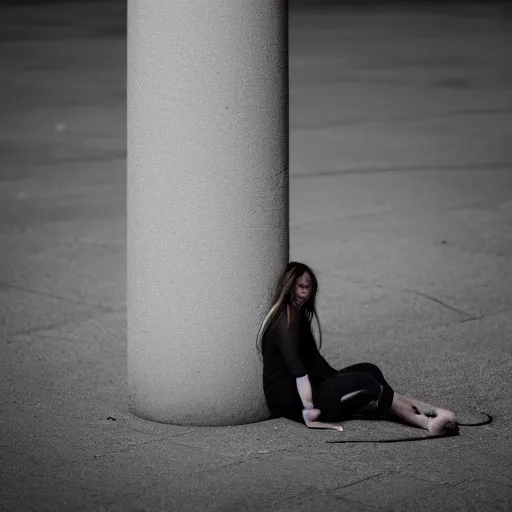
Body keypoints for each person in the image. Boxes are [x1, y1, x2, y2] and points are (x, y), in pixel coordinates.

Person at [256, 261, 458, 435]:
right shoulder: (286, 320)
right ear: (288, 286)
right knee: (365, 382)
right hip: (294, 402)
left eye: (308, 287)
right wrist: (309, 412)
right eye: (300, 286)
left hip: (309, 390)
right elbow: (295, 367)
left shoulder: (297, 316)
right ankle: (427, 422)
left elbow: (315, 362)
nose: (304, 292)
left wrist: (340, 381)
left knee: (369, 370)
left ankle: (415, 409)